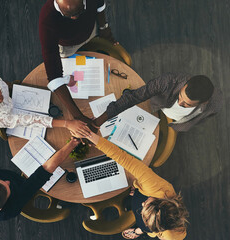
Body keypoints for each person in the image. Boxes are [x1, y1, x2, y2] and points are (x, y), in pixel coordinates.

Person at [73, 130, 189, 239]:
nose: (143, 204)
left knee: (146, 228)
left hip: (148, 217)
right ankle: (140, 226)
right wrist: (89, 135)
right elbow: (123, 158)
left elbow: (155, 227)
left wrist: (145, 229)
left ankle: (139, 230)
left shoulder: (160, 225)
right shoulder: (155, 185)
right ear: (161, 201)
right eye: (146, 205)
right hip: (144, 192)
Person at [0, 137, 81, 220]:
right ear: (2, 207)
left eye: (1, 181)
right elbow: (46, 169)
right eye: (7, 187)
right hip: (20, 188)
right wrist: (72, 144)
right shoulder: (12, 208)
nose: (8, 181)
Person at [39, 0, 118, 128]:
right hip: (68, 45)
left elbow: (100, 6)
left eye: (79, 12)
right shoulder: (47, 19)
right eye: (68, 15)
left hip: (91, 30)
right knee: (67, 58)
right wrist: (78, 116)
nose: (75, 18)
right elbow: (54, 76)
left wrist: (104, 28)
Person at [0, 66, 90, 137]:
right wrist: (67, 124)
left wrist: (9, 87)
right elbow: (28, 120)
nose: (1, 99)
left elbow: (3, 83)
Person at [93, 73, 223, 132]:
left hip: (179, 121)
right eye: (180, 96)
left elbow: (207, 117)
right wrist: (100, 120)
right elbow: (132, 98)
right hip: (157, 107)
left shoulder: (215, 103)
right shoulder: (166, 82)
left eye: (186, 104)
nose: (179, 103)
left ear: (203, 102)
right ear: (186, 82)